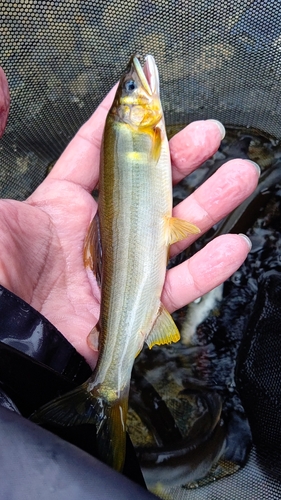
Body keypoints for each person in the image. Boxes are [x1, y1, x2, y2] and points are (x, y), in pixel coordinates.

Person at [0, 74, 260, 369]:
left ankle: (107, 384)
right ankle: (109, 385)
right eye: (132, 88)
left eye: (132, 87)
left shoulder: (138, 130)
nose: (137, 84)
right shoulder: (136, 131)